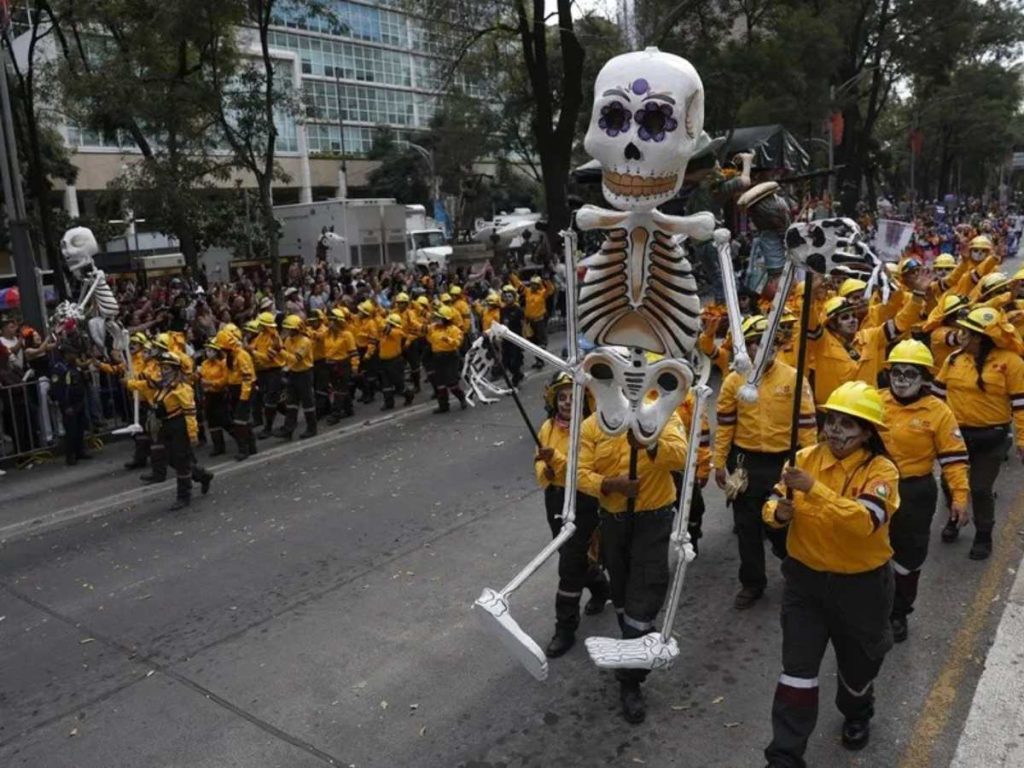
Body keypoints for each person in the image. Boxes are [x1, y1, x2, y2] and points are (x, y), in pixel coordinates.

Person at [762, 381, 900, 762]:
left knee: (858, 670)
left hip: (862, 588)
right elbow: (774, 500)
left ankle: (857, 711)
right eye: (832, 421)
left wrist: (814, 490)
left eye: (848, 424)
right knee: (797, 672)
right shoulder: (803, 458)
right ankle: (785, 755)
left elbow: (864, 521)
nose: (836, 431)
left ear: (868, 432)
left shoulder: (882, 470)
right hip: (804, 585)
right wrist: (778, 513)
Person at [577, 397, 688, 724]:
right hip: (613, 522)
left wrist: (650, 443)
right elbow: (580, 472)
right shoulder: (592, 425)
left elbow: (681, 456)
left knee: (645, 595)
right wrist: (609, 484)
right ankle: (633, 644)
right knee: (623, 596)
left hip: (654, 520)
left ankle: (630, 681)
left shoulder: (661, 413)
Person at [714, 315, 817, 608]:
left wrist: (811, 465)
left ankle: (795, 566)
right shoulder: (734, 381)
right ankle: (752, 583)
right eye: (757, 342)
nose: (764, 347)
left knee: (781, 524)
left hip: (782, 465)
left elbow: (808, 426)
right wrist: (719, 462)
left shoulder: (795, 379)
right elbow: (725, 425)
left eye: (769, 341)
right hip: (745, 464)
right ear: (746, 347)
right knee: (746, 527)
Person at [878, 341, 969, 642]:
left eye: (910, 374)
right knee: (868, 550)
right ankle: (867, 607)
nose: (901, 380)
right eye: (896, 372)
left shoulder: (939, 412)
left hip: (915, 491)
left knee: (908, 555)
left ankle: (898, 612)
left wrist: (959, 497)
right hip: (873, 487)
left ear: (924, 378)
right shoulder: (874, 403)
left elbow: (954, 459)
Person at [933, 306, 1024, 560]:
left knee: (981, 488)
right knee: (949, 482)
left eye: (968, 332)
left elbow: (1020, 404)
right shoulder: (954, 359)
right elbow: (936, 397)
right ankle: (955, 518)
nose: (962, 335)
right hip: (956, 438)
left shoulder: (1011, 363)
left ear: (981, 337)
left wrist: (1023, 439)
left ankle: (983, 534)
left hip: (991, 439)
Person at [534, 373, 609, 658]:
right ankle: (600, 585)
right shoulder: (546, 427)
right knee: (568, 554)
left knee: (569, 564)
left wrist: (557, 460)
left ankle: (565, 628)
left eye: (573, 396)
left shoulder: (592, 429)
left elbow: (585, 473)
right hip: (554, 499)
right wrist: (546, 470)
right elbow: (538, 462)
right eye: (562, 396)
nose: (567, 402)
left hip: (583, 500)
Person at [154, 352, 213, 510]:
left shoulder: (183, 388)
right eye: (161, 368)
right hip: (166, 425)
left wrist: (193, 434)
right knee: (167, 457)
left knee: (181, 461)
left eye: (166, 368)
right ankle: (202, 475)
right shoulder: (163, 387)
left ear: (175, 370)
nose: (162, 371)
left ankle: (183, 496)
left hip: (179, 426)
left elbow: (190, 413)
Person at [275, 314, 317, 440]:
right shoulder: (288, 340)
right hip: (293, 374)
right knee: (291, 403)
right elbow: (288, 359)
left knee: (307, 402)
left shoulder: (305, 342)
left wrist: (280, 351)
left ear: (296, 329)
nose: (287, 331)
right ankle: (288, 430)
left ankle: (312, 428)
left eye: (289, 328)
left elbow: (296, 359)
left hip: (304, 374)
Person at [51, 345, 90, 465]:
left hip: (79, 401)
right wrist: (65, 405)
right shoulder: (59, 368)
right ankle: (70, 455)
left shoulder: (74, 366)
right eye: (72, 353)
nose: (75, 356)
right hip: (69, 404)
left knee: (80, 427)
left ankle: (80, 451)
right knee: (71, 430)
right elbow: (58, 389)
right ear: (66, 354)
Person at [251, 312, 286, 438]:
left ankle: (268, 428)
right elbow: (253, 348)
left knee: (271, 399)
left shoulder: (274, 338)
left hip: (274, 371)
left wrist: (254, 353)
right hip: (263, 373)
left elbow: (269, 357)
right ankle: (290, 416)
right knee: (271, 400)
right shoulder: (261, 336)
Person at [426, 305, 466, 414]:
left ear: (446, 319)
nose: (437, 319)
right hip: (437, 357)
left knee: (451, 382)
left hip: (450, 357)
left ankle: (462, 398)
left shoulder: (454, 330)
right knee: (440, 383)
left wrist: (448, 340)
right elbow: (426, 334)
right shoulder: (433, 327)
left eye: (440, 318)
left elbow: (458, 343)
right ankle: (443, 405)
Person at [199, 336, 231, 456]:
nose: (208, 353)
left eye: (211, 350)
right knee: (212, 420)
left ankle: (243, 440)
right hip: (208, 395)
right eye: (207, 350)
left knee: (225, 420)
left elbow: (224, 380)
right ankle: (218, 446)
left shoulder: (222, 363)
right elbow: (200, 375)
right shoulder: (204, 364)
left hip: (220, 394)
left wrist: (211, 383)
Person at [324, 308, 357, 424]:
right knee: (339, 389)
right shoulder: (326, 335)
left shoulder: (347, 335)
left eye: (333, 320)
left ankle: (335, 413)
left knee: (339, 390)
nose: (330, 323)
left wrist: (354, 366)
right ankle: (349, 409)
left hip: (342, 365)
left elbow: (353, 352)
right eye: (329, 320)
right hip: (330, 365)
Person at [375, 313, 414, 410]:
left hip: (394, 361)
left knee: (398, 383)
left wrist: (375, 315)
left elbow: (382, 327)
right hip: (384, 361)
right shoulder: (385, 335)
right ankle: (389, 403)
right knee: (386, 384)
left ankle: (408, 395)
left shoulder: (397, 333)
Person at [523, 275, 552, 369]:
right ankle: (538, 360)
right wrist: (511, 275)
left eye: (535, 284)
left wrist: (547, 280)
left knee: (541, 342)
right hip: (529, 322)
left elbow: (551, 289)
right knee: (533, 342)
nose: (533, 286)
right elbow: (518, 284)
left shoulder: (542, 293)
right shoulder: (527, 292)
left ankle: (541, 360)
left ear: (539, 285)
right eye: (532, 284)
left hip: (540, 322)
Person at [499, 285, 525, 385]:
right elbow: (501, 323)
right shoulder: (503, 310)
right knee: (506, 361)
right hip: (506, 339)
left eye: (510, 296)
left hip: (516, 338)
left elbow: (523, 325)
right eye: (506, 296)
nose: (508, 298)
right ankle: (518, 374)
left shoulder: (518, 310)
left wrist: (523, 338)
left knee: (515, 360)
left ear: (514, 298)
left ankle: (515, 381)